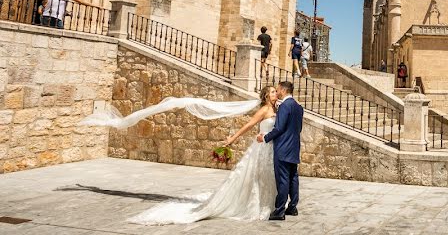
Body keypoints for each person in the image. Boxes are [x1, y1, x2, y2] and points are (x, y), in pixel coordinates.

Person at [79, 87, 279, 224]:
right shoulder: (263, 110)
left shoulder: (275, 108)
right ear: (265, 96)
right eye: (272, 92)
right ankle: (255, 206)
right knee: (254, 178)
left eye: (275, 92)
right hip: (260, 149)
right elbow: (249, 125)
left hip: (269, 148)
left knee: (264, 178)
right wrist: (232, 139)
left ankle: (267, 204)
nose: (275, 94)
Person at [258, 80, 304, 221]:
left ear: (283, 91)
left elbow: (279, 128)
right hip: (294, 148)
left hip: (283, 148)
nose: (277, 93)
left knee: (283, 179)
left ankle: (279, 211)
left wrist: (265, 138)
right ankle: (293, 207)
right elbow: (298, 128)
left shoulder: (284, 106)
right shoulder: (298, 107)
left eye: (277, 90)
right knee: (293, 178)